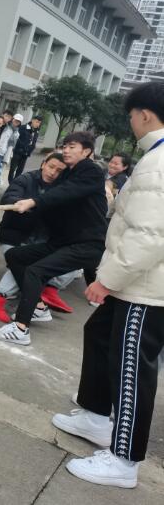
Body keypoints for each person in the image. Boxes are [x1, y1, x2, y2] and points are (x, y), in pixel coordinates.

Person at [50, 83, 164, 490]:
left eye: (131, 116)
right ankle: (97, 416)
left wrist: (107, 280)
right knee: (99, 333)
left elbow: (150, 235)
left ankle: (124, 460)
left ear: (145, 114)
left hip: (145, 287)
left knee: (132, 366)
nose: (131, 123)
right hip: (135, 279)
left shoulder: (158, 162)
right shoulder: (155, 155)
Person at [0, 131, 108, 346]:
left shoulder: (91, 171)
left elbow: (64, 193)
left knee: (36, 271)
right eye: (65, 146)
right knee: (16, 256)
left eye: (72, 147)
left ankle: (20, 329)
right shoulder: (68, 173)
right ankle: (39, 308)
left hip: (86, 244)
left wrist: (34, 202)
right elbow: (53, 203)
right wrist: (26, 206)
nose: (66, 150)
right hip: (62, 241)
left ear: (86, 151)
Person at [0, 153, 81, 323]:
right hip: (14, 237)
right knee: (25, 264)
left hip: (42, 240)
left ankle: (49, 290)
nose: (53, 172)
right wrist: (28, 204)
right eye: (51, 167)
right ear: (43, 164)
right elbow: (8, 198)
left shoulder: (63, 188)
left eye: (59, 170)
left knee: (75, 257)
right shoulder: (26, 179)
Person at [8, 115, 43, 182]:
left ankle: (15, 183)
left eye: (39, 123)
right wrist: (23, 147)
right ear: (32, 120)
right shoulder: (23, 127)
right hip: (18, 152)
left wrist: (30, 150)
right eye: (36, 122)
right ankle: (11, 182)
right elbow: (17, 139)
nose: (37, 124)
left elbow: (34, 142)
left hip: (25, 154)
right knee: (12, 168)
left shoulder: (36, 131)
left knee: (20, 170)